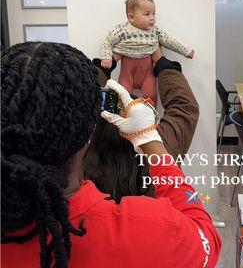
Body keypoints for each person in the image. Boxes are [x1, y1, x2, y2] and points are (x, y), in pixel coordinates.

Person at [1, 42, 221, 268]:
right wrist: (150, 140)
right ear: (86, 131)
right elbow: (207, 240)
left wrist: (105, 66)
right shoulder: (153, 229)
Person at [86, 48, 199, 202]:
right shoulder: (164, 146)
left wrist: (104, 66)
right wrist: (163, 64)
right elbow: (184, 107)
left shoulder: (80, 167)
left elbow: (76, 100)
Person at [100, 0, 194, 104]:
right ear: (131, 17)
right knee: (122, 97)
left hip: (147, 75)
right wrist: (106, 57)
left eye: (154, 14)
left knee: (151, 97)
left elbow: (170, 41)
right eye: (147, 14)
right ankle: (124, 118)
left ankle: (151, 119)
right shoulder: (122, 31)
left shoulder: (155, 32)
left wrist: (186, 51)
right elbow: (107, 42)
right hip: (127, 75)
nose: (152, 18)